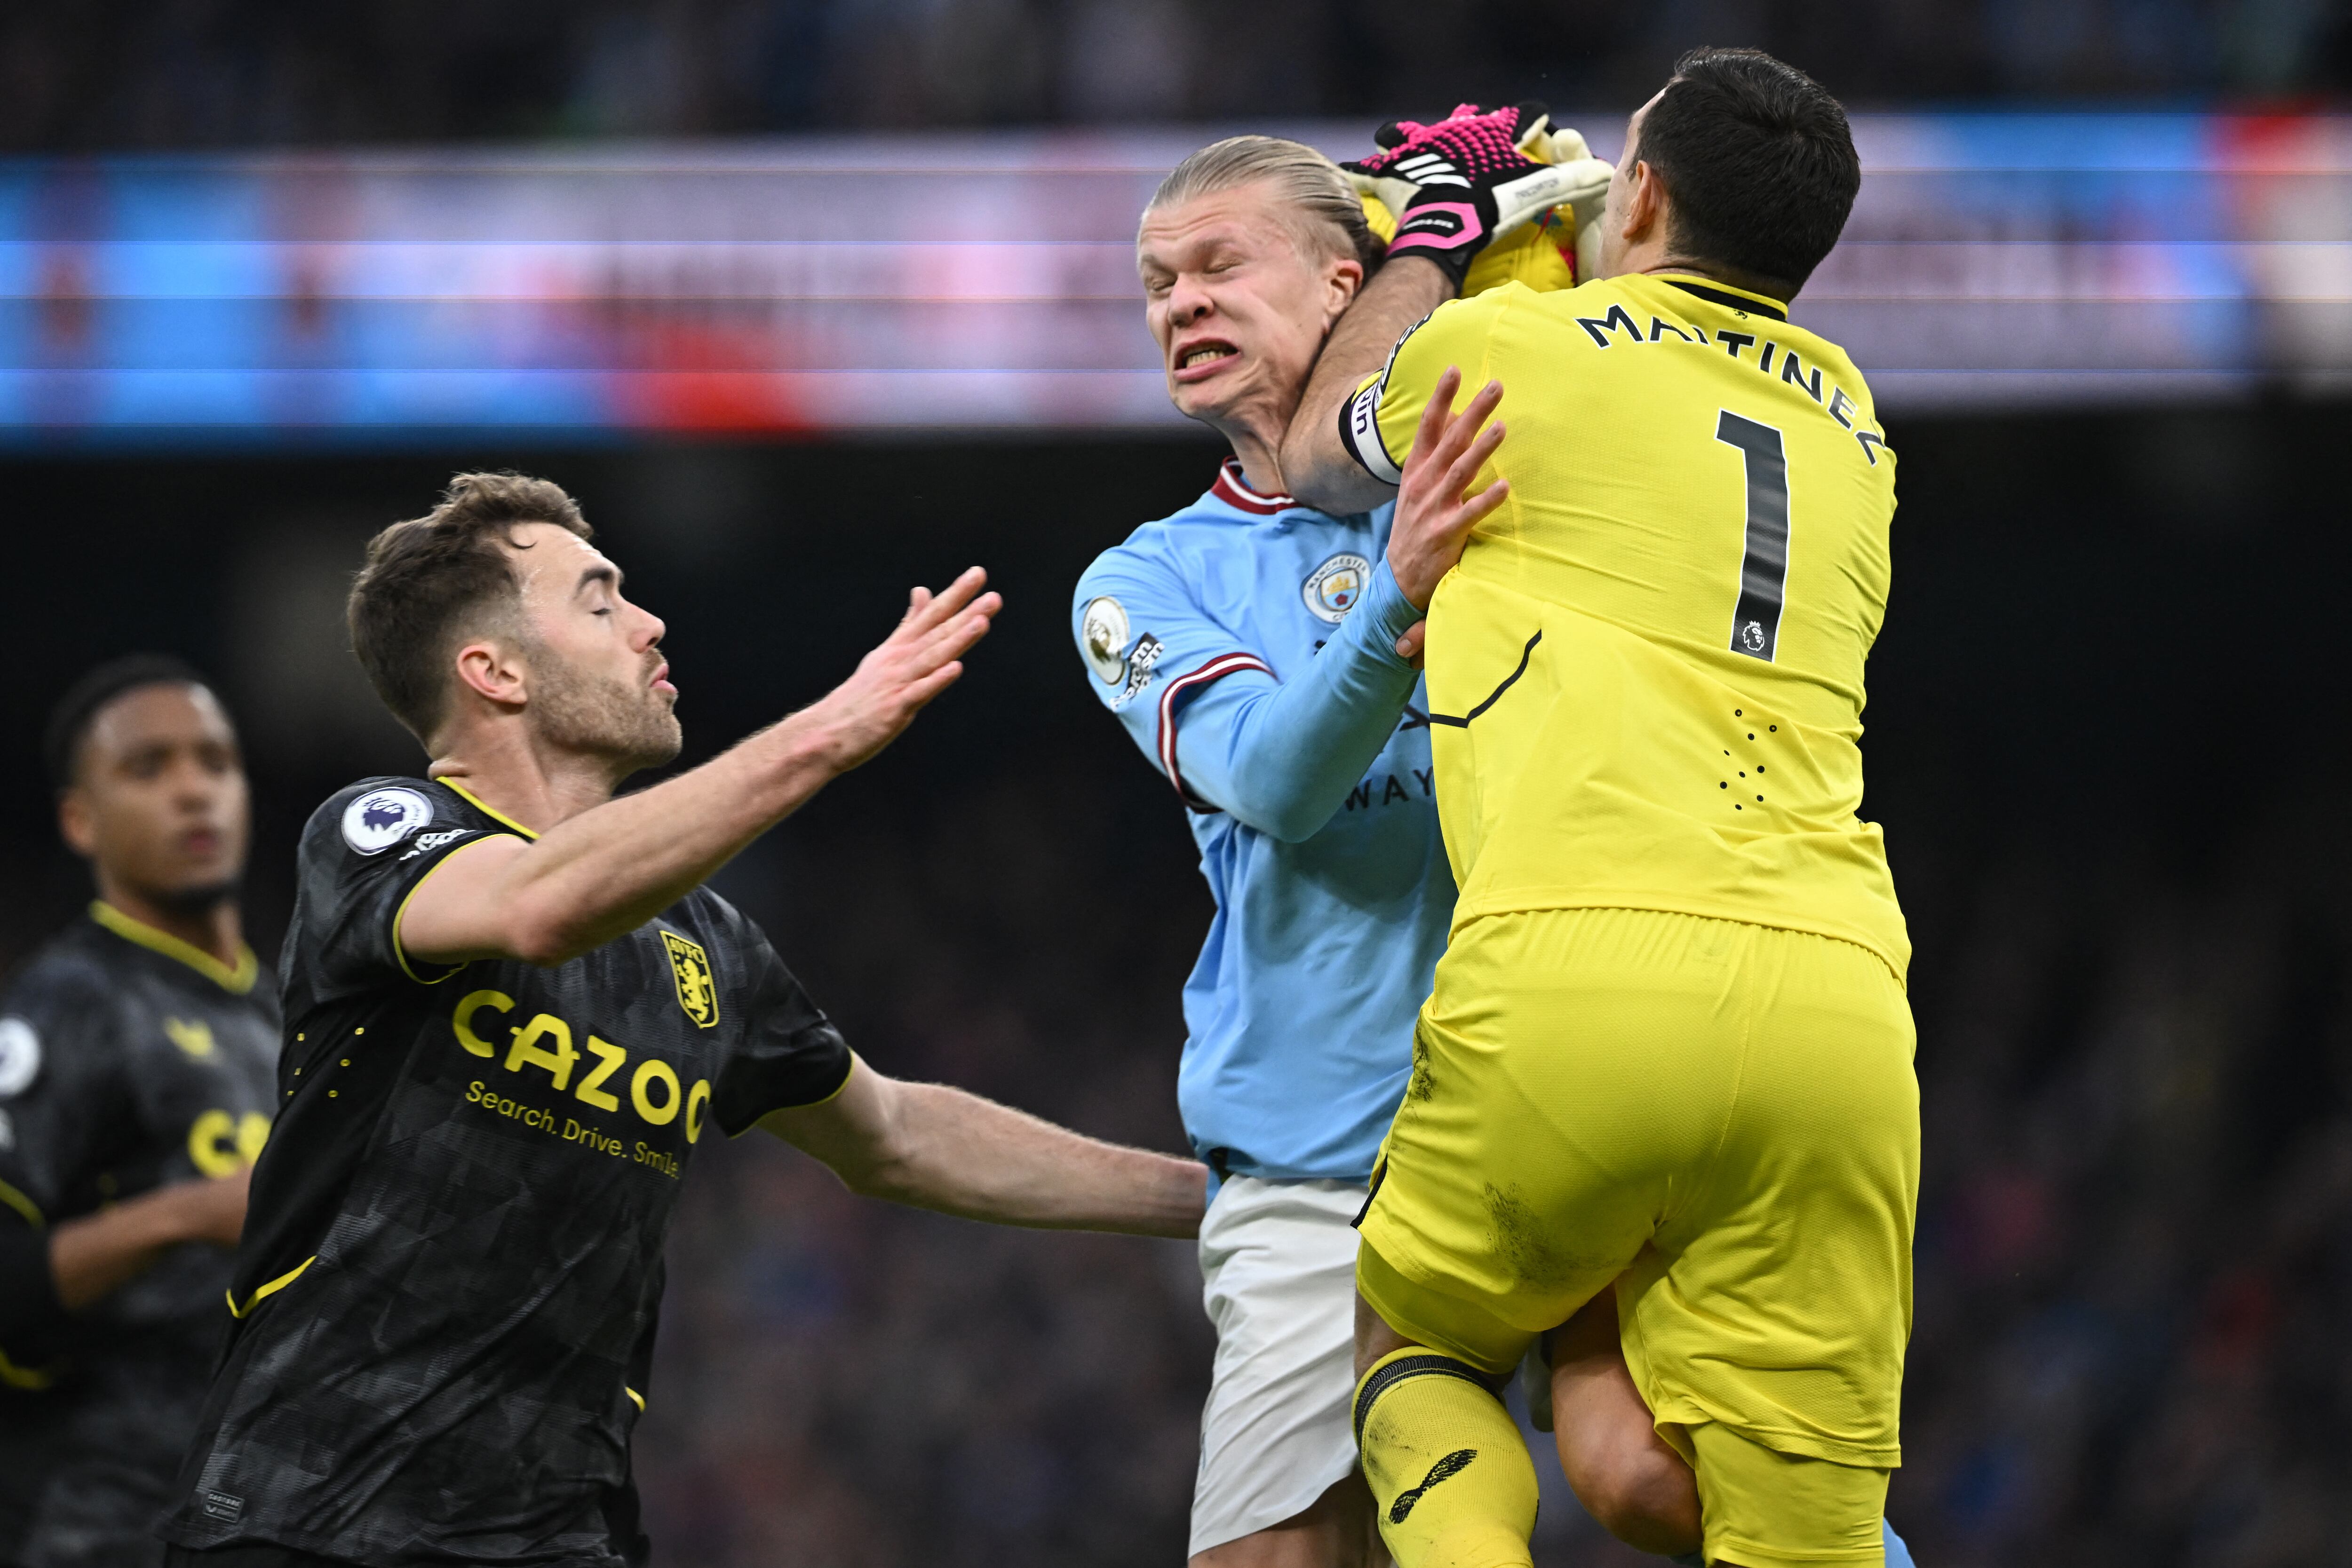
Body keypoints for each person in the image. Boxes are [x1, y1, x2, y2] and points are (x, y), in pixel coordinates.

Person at [153, 473, 1207, 1568]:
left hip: (559, 1533)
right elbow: (537, 905)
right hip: (306, 1518)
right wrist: (826, 732)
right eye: (601, 601)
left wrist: (1214, 1198)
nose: (651, 623)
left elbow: (894, 1133)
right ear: (493, 670)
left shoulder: (703, 943)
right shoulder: (381, 833)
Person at [1279, 55, 1915, 1568]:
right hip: (1837, 1009)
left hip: (1580, 971)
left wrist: (1446, 237)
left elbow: (1320, 450)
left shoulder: (1515, 348)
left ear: (1640, 191)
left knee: (1414, 1332)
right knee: (1672, 1483)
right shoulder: (1861, 430)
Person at [0, 657, 277, 1568]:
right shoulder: (63, 1009)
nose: (193, 789)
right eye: (148, 767)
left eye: (214, 760)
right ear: (80, 818)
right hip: (92, 1518)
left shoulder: (286, 1016)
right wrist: (188, 1213)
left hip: (256, 1515)